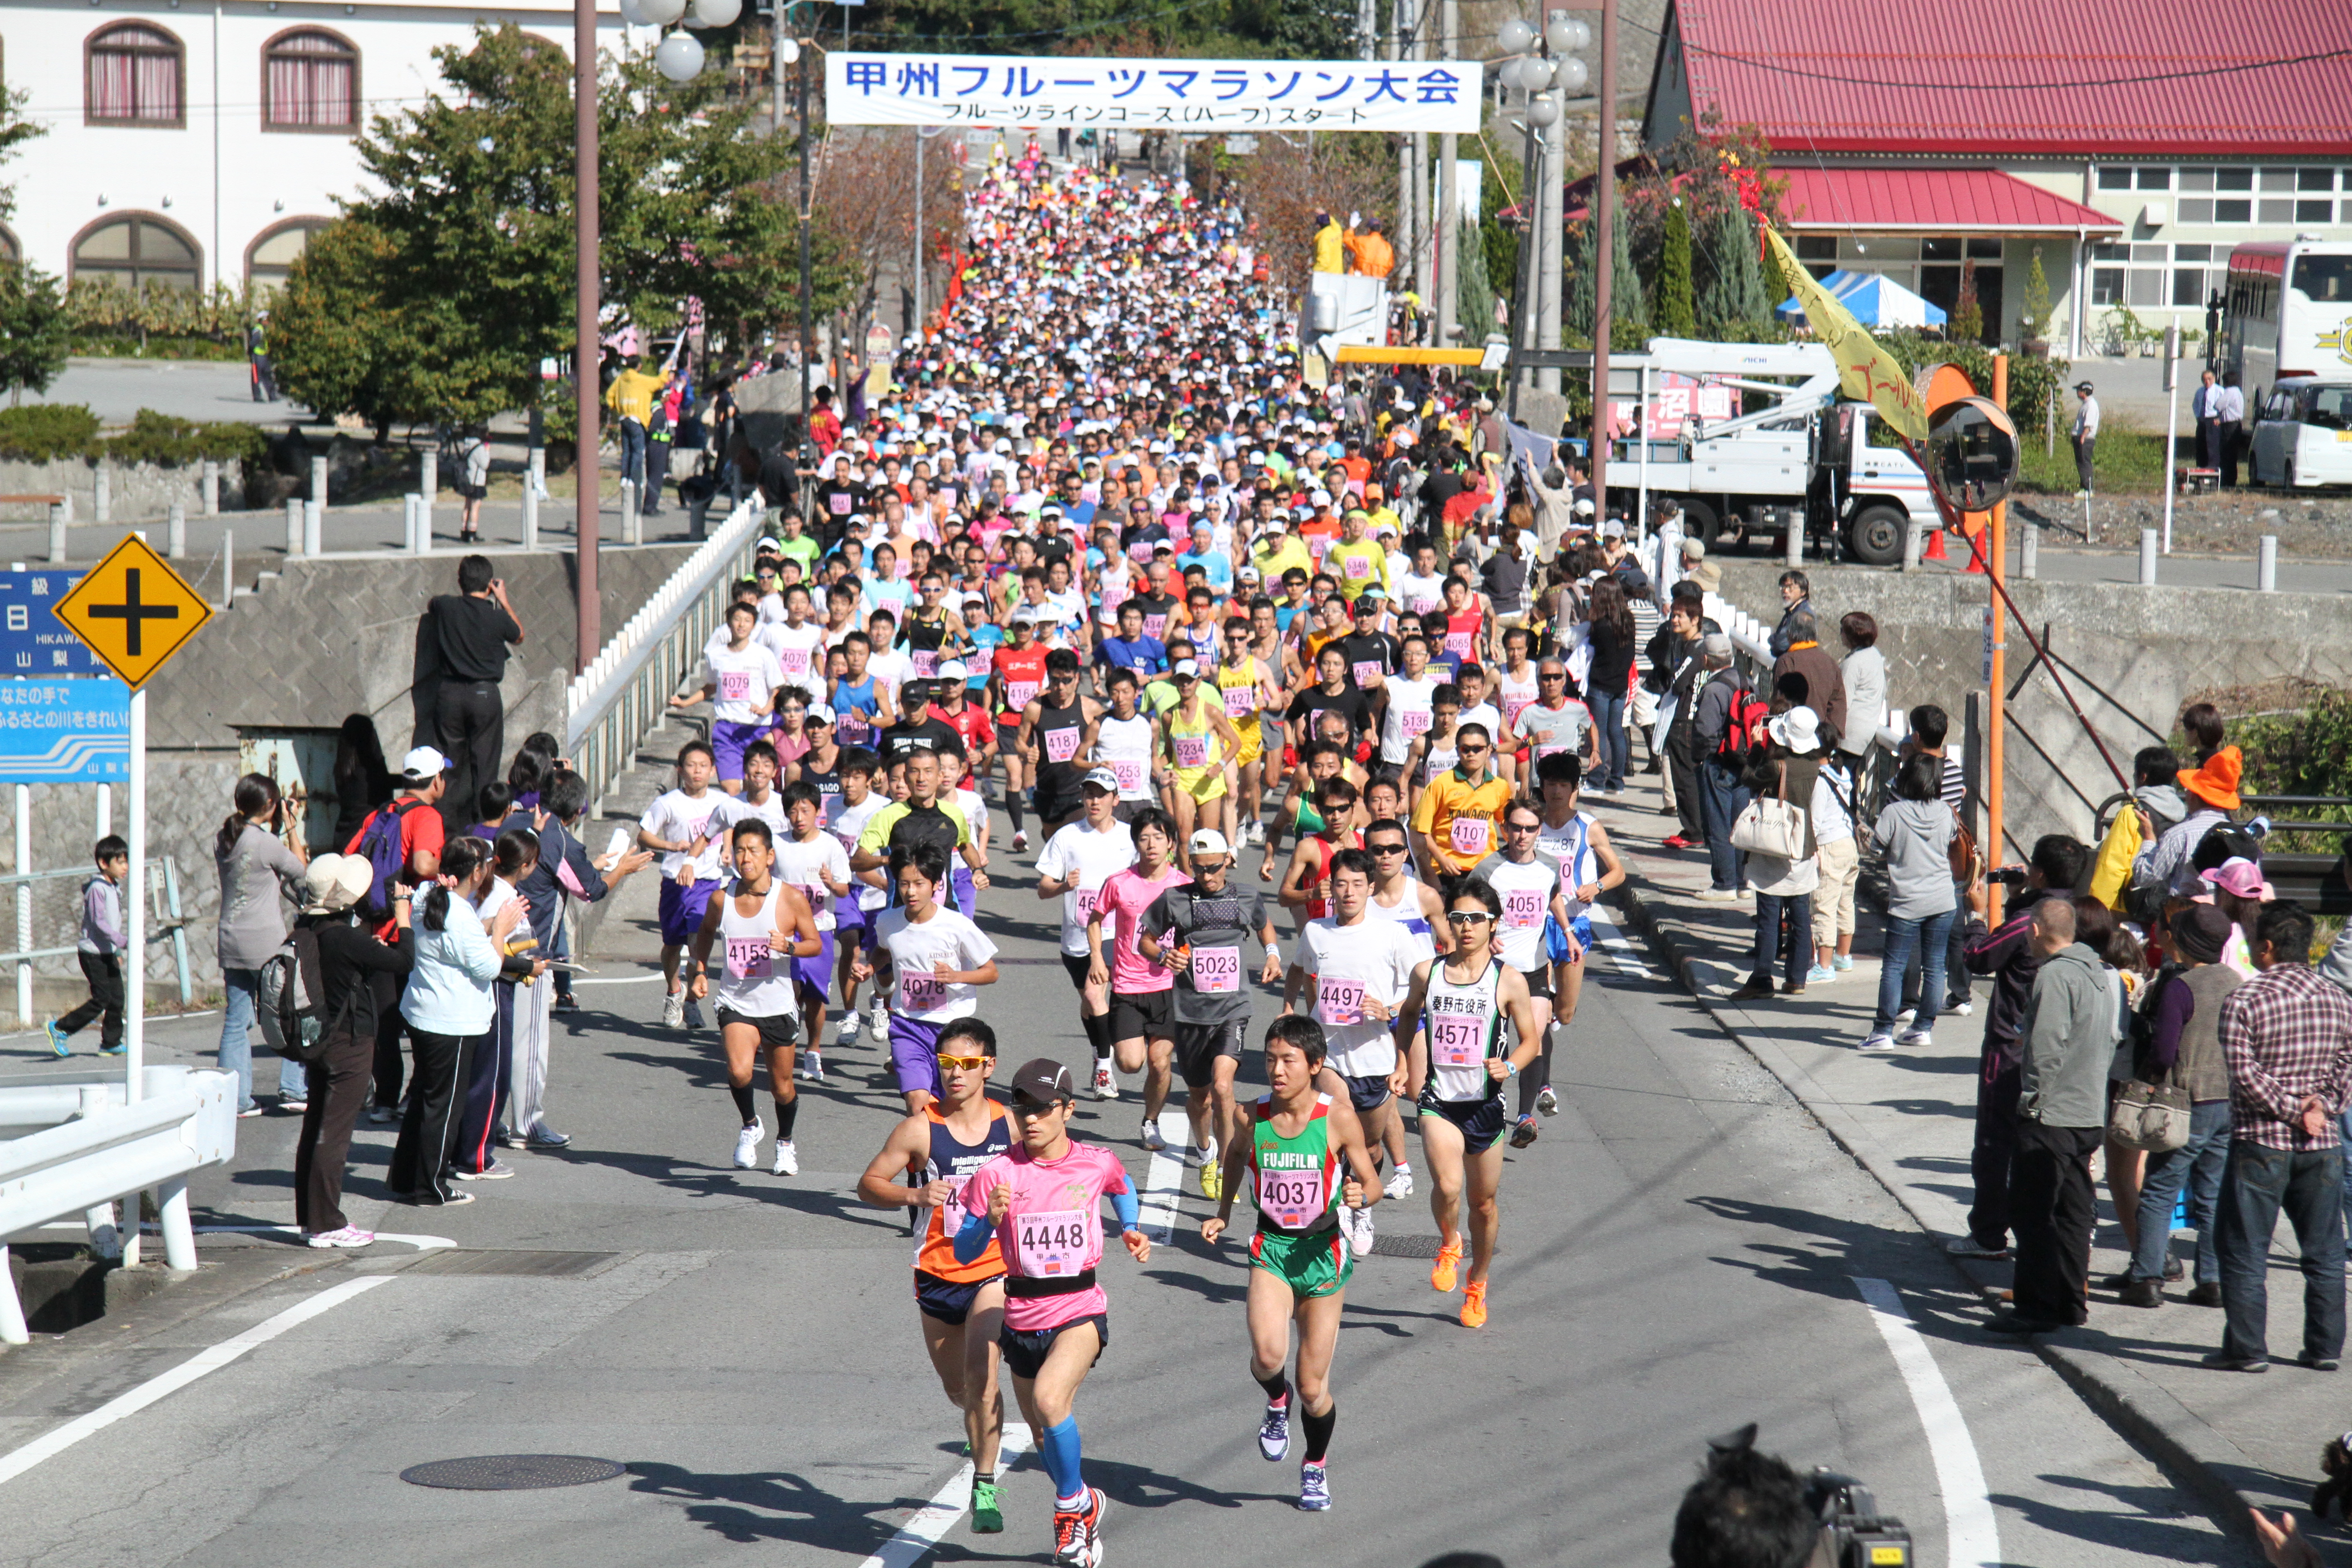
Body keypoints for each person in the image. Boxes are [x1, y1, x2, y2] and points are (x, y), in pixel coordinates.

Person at [951, 1056, 1148, 1567]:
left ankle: (1067, 1511)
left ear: (1068, 1109)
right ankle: (1086, 1506)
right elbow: (965, 1253)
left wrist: (1129, 1227)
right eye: (1023, 1108)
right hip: (1022, 1314)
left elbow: (1122, 1187)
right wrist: (985, 1222)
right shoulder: (997, 1173)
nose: (1031, 1118)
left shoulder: (1095, 1161)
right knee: (1043, 1428)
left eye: (1043, 1108)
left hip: (1080, 1307)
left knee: (1049, 1398)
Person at [1200, 1014, 1382, 1511]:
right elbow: (1236, 1156)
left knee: (1314, 1387)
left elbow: (1373, 1182)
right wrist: (1223, 1213)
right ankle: (1274, 1402)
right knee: (1267, 1357)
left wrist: (1359, 1195)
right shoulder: (1250, 1116)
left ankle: (1315, 1467)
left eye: (1289, 1061)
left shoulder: (1337, 1118)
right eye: (1271, 1059)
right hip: (1273, 1250)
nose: (1277, 1070)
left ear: (1315, 1065)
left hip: (1323, 1255)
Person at [854, 1019, 1014, 1535]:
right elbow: (868, 1185)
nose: (955, 1074)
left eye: (967, 1064)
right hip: (937, 1272)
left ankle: (985, 1483)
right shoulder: (920, 1128)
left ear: (988, 1066)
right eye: (947, 1064)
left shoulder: (1009, 1127)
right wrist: (914, 1196)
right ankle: (975, 1423)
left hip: (994, 1270)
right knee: (958, 1388)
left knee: (983, 1377)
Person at [1392, 875, 1543, 1329]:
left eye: (1476, 918)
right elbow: (1407, 1015)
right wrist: (1402, 1060)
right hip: (1439, 1101)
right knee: (1449, 1186)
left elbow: (1531, 1041)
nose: (1466, 927)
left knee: (1484, 1203)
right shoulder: (1429, 973)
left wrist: (1510, 1067)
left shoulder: (1508, 980)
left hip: (1485, 1107)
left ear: (1493, 923)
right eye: (1458, 918)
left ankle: (1477, 1282)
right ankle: (1449, 1243)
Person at [2210, 901, 2352, 1372]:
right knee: (2325, 1251)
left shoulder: (2245, 1000)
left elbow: (2244, 1074)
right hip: (2322, 1143)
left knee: (2245, 1248)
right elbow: (2346, 1068)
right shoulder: (2339, 999)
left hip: (2259, 1141)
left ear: (2266, 947)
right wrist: (2321, 1108)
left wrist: (2292, 1110)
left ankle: (2247, 1349)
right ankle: (2325, 1348)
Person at [1948, 835, 2090, 1261]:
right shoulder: (2083, 914)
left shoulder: (2030, 920)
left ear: (2040, 873)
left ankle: (1989, 1232)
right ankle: (2064, 1239)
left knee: (1995, 1140)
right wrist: (2016, 896)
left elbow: (1980, 957)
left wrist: (1976, 916)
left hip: (2013, 1043)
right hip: (2071, 1047)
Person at [1985, 897, 2113, 1335]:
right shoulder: (2101, 972)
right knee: (2075, 1212)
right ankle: (2071, 1303)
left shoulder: (2056, 976)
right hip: (2088, 1110)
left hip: (2053, 1114)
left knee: (2031, 1211)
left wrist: (2032, 1099)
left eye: (2027, 930)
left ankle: (2036, 1307)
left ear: (2036, 931)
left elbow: (2045, 1045)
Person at [1286, 848, 1423, 1254]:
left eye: (1357, 885)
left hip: (1376, 1057)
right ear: (1332, 887)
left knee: (1370, 1145)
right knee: (1336, 1118)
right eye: (1341, 883)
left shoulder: (1393, 933)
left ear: (1370, 888)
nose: (1348, 892)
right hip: (1328, 1055)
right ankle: (1335, 1209)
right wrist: (1288, 1007)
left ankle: (1362, 1204)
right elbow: (1299, 967)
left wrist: (1389, 1010)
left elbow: (1419, 988)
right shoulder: (1316, 931)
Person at [1140, 828, 1281, 1195]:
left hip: (1232, 1009)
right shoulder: (1174, 899)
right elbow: (1145, 939)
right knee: (1200, 1097)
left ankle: (1226, 1166)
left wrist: (1272, 953)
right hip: (1189, 1012)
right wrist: (1162, 955)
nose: (1206, 876)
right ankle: (1206, 1153)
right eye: (1198, 869)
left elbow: (1264, 924)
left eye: (1214, 868)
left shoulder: (1246, 896)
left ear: (1228, 862)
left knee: (1223, 1087)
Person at [2117, 902, 2239, 1308]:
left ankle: (2147, 1277)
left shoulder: (2181, 988)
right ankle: (2212, 1280)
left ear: (2186, 942)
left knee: (2159, 1189)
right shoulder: (2235, 980)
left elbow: (2164, 1053)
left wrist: (2143, 1084)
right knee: (2212, 1193)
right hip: (2229, 1099)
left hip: (2186, 1102)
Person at [687, 816, 824, 1175]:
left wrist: (790, 947)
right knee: (738, 1070)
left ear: (769, 856)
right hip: (736, 1002)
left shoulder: (790, 899)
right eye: (739, 851)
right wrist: (699, 970)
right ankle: (750, 1126)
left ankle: (785, 1143)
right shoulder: (722, 898)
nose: (745, 858)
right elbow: (704, 933)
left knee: (782, 1087)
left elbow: (816, 943)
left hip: (777, 1005)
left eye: (753, 851)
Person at [391, 835, 522, 1208]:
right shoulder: (461, 914)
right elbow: (490, 966)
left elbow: (449, 938)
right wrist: (499, 930)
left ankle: (405, 1177)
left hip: (421, 1013)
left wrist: (489, 927)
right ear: (478, 872)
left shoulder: (423, 898)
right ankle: (431, 1186)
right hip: (453, 1023)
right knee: (444, 1108)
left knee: (423, 1101)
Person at [291, 854, 412, 1248]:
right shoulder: (347, 938)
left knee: (316, 1127)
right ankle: (328, 1223)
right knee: (336, 1133)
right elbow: (403, 960)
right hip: (351, 1042)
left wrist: (365, 947)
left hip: (320, 1040)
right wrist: (403, 915)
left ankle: (311, 1218)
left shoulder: (308, 929)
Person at [858, 841, 1001, 1116]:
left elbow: (991, 972)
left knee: (947, 1106)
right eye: (903, 884)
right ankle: (922, 1155)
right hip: (907, 1024)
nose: (910, 892)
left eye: (919, 883)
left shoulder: (956, 925)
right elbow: (883, 950)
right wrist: (870, 968)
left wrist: (956, 976)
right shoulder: (888, 920)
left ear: (937, 885)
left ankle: (937, 1155)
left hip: (951, 1030)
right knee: (918, 1103)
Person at [1087, 807, 1190, 1146]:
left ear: (1171, 843)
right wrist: (1097, 959)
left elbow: (1197, 933)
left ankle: (1151, 1121)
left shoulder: (1184, 886)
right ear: (1136, 844)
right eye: (1144, 838)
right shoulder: (1119, 883)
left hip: (1168, 988)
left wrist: (1187, 959)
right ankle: (1107, 1057)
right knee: (1131, 1064)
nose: (1151, 845)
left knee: (1160, 1063)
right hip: (1129, 987)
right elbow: (1095, 919)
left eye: (1158, 837)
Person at [1474, 800, 1571, 1150]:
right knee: (1490, 1041)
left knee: (1535, 1032)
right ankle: (1479, 1104)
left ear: (1539, 832)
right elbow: (1467, 907)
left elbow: (1553, 898)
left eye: (1530, 829)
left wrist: (1568, 932)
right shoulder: (1488, 869)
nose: (1522, 835)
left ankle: (1526, 1116)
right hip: (1495, 970)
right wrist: (1486, 933)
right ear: (1505, 829)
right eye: (1516, 828)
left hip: (1532, 968)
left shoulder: (1549, 867)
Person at [1035, 769, 1135, 1100]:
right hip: (1075, 938)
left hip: (1114, 935)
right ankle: (1098, 1051)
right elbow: (1043, 889)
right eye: (1089, 794)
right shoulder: (1067, 836)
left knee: (1095, 997)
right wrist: (1066, 885)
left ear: (1115, 800)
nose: (1094, 800)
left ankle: (1104, 1068)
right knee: (1088, 1004)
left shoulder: (1130, 837)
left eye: (1102, 794)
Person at [215, 773, 310, 1116]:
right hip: (266, 944)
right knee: (287, 1014)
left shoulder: (223, 838)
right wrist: (291, 826)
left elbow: (254, 852)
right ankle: (294, 1089)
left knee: (237, 1020)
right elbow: (300, 870)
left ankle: (236, 1100)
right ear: (270, 805)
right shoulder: (267, 843)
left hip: (231, 940)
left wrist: (276, 827)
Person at [1861, 752, 1959, 1050]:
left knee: (1894, 966)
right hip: (1943, 899)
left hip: (1907, 901)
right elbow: (1952, 840)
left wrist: (1866, 836)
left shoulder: (1894, 813)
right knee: (1934, 967)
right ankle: (1923, 1028)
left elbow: (1876, 851)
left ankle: (1882, 1031)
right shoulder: (1946, 812)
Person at [424, 556, 524, 831]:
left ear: (460, 581)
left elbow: (432, 604)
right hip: (484, 694)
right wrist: (502, 600)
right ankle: (484, 829)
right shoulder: (496, 616)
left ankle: (444, 831)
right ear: (490, 584)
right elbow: (518, 635)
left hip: (450, 695)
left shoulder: (446, 607)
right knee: (486, 766)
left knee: (448, 766)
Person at [639, 740, 729, 1033]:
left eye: (703, 766)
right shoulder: (667, 803)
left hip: (708, 882)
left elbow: (730, 827)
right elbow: (644, 836)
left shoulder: (721, 801)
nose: (697, 772)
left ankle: (692, 999)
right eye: (691, 766)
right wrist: (670, 845)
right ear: (680, 770)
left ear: (713, 770)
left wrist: (728, 849)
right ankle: (674, 991)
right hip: (675, 883)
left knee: (697, 944)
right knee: (672, 945)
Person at [48, 835, 128, 1058]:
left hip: (107, 952)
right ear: (104, 864)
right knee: (102, 998)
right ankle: (60, 1028)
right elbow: (98, 922)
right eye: (120, 862)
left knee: (118, 998)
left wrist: (117, 950)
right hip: (92, 953)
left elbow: (112, 922)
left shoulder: (114, 888)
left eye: (126, 861)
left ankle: (110, 1043)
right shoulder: (98, 888)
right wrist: (121, 940)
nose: (125, 867)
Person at [1691, 635, 1758, 901]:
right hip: (1744, 763)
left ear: (1706, 660)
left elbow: (1705, 732)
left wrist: (1699, 758)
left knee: (1718, 824)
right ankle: (1744, 882)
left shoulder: (1713, 689)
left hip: (1718, 764)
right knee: (1740, 824)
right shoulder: (1748, 682)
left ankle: (1724, 884)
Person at [1766, 569, 1810, 660]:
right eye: (1783, 587)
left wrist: (1774, 641)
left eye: (1790, 588)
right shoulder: (1791, 611)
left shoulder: (1802, 614)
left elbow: (1780, 645)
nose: (1785, 591)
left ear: (1803, 592)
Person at [2071, 380, 2100, 497]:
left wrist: (2083, 437)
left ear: (2084, 392)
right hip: (2081, 438)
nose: (2077, 392)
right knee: (2080, 463)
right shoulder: (2086, 404)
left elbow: (2089, 424)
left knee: (2085, 463)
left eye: (2079, 390)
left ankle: (2088, 489)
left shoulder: (2091, 405)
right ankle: (2084, 488)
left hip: (2086, 439)